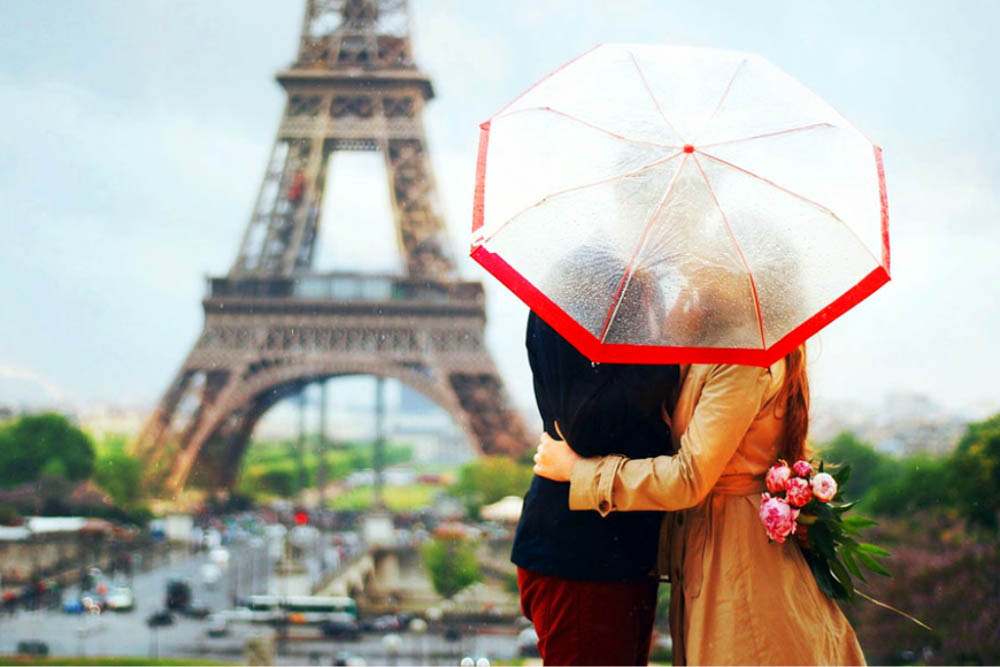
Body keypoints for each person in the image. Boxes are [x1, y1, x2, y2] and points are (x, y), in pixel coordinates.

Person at [533, 346, 867, 665]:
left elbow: (688, 476)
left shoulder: (741, 359)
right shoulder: (718, 349)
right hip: (719, 554)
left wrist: (580, 472)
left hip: (737, 564)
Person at [512, 309, 679, 666]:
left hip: (616, 550)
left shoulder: (637, 298)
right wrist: (663, 353)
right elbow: (586, 429)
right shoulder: (569, 298)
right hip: (581, 554)